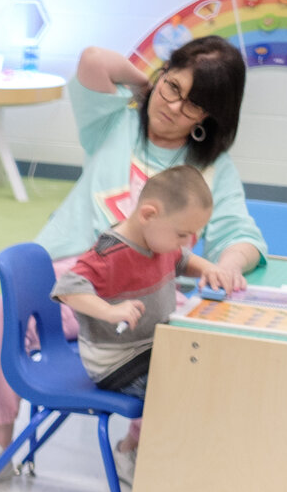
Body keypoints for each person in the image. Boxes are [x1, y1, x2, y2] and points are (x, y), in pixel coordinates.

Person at [0, 36, 267, 492]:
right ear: (163, 75)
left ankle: (135, 448)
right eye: (173, 88)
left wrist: (226, 264)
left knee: (179, 343)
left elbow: (245, 236)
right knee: (0, 317)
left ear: (210, 117)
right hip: (74, 274)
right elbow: (93, 60)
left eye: (193, 105)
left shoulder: (212, 168)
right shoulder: (115, 123)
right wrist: (146, 88)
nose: (174, 108)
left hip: (144, 295)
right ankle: (0, 446)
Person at [53, 164, 213, 400]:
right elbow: (68, 288)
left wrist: (209, 269)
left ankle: (136, 439)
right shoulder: (110, 254)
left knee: (210, 367)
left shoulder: (160, 241)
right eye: (182, 234)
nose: (187, 242)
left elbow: (182, 260)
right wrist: (109, 311)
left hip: (149, 349)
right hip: (117, 364)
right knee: (188, 392)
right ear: (149, 215)